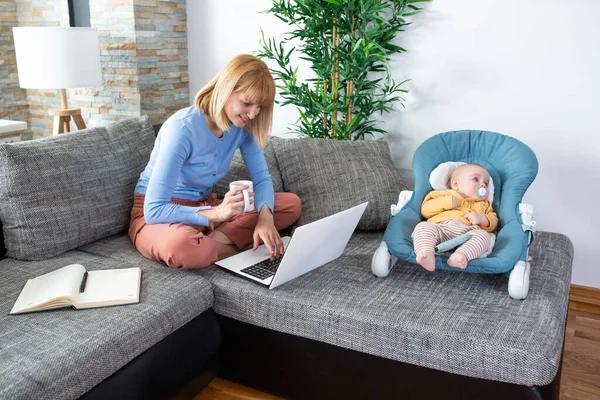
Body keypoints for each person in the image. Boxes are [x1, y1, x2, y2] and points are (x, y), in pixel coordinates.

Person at [128, 54, 302, 269]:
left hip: (205, 207)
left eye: (260, 107)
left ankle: (210, 243)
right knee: (181, 246)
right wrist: (217, 214)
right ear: (226, 89)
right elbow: (154, 210)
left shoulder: (241, 129)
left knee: (290, 204)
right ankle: (224, 247)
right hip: (158, 215)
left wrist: (265, 219)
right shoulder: (182, 129)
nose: (253, 114)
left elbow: (262, 178)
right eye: (247, 103)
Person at [411, 163, 498, 272]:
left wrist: (482, 219)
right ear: (456, 184)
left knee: (484, 237)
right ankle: (426, 254)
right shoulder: (443, 194)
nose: (483, 185)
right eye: (476, 179)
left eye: (486, 183)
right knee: (422, 227)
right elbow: (425, 210)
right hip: (441, 229)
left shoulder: (484, 205)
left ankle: (460, 255)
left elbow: (494, 223)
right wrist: (447, 202)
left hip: (468, 235)